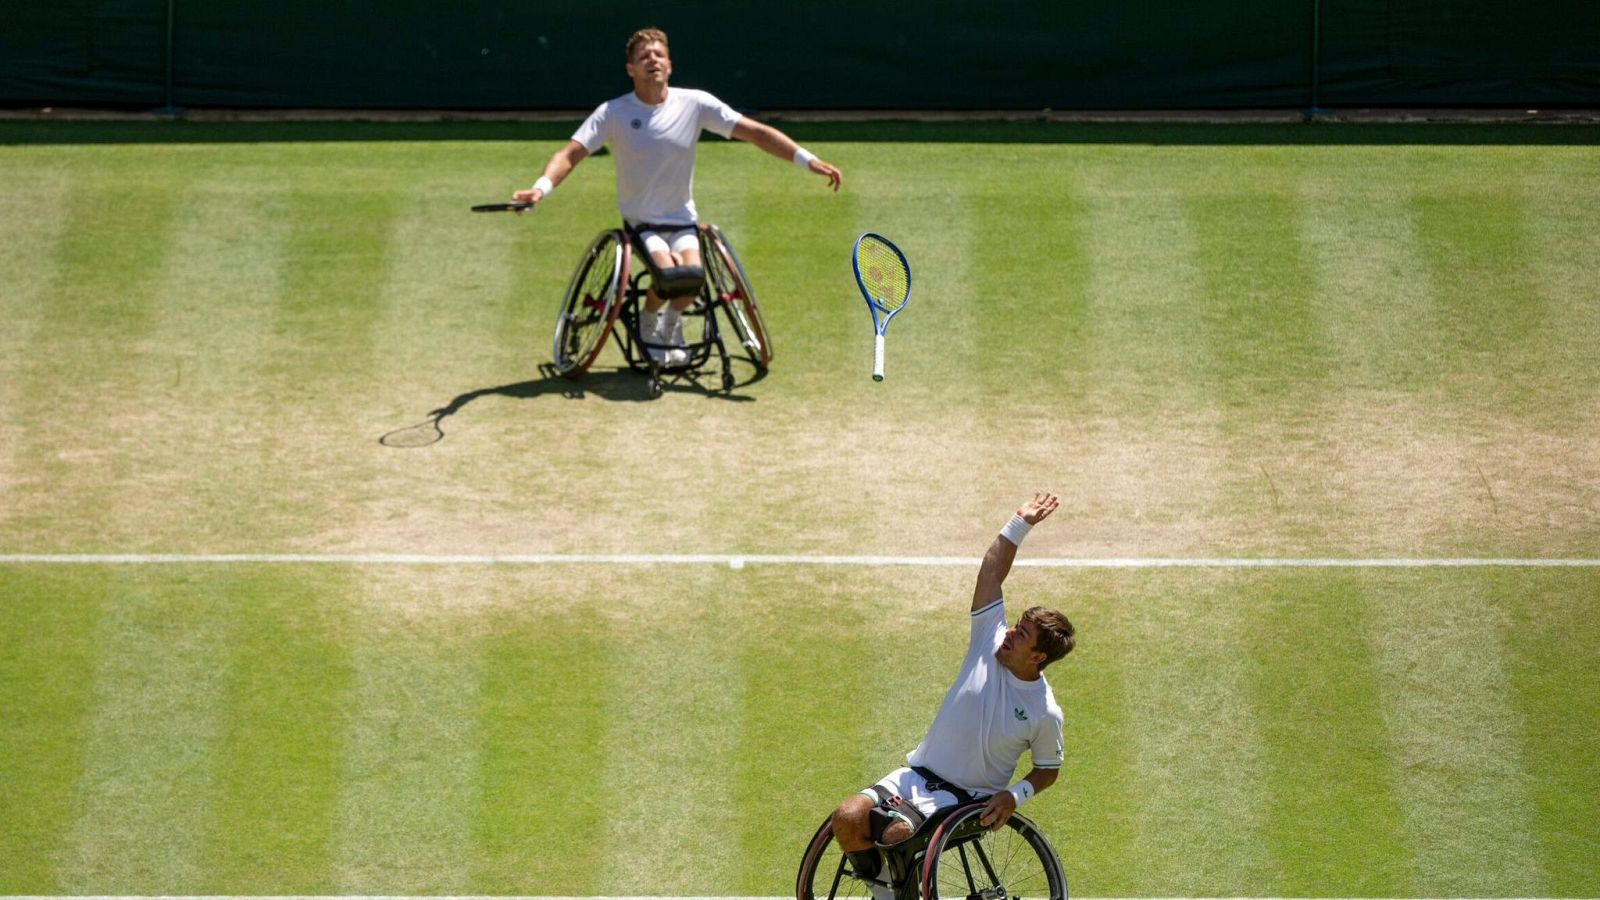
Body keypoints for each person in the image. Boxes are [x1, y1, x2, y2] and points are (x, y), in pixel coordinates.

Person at [513, 27, 843, 366]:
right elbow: (570, 154)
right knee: (671, 277)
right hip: (642, 223)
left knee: (692, 280)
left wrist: (808, 160)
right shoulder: (613, 112)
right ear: (631, 69)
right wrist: (540, 189)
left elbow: (755, 132)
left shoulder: (696, 104)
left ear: (669, 65)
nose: (651, 60)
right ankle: (648, 319)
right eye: (643, 57)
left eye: (658, 54)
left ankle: (669, 324)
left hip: (682, 219)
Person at [829, 492, 1075, 898]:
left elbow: (1047, 769)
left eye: (1022, 634)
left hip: (966, 801)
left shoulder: (1044, 712)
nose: (1010, 632)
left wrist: (1014, 796)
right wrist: (1020, 523)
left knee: (894, 832)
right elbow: (992, 573)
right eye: (1015, 625)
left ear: (1039, 656)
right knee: (848, 817)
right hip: (915, 777)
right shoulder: (989, 639)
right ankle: (886, 893)